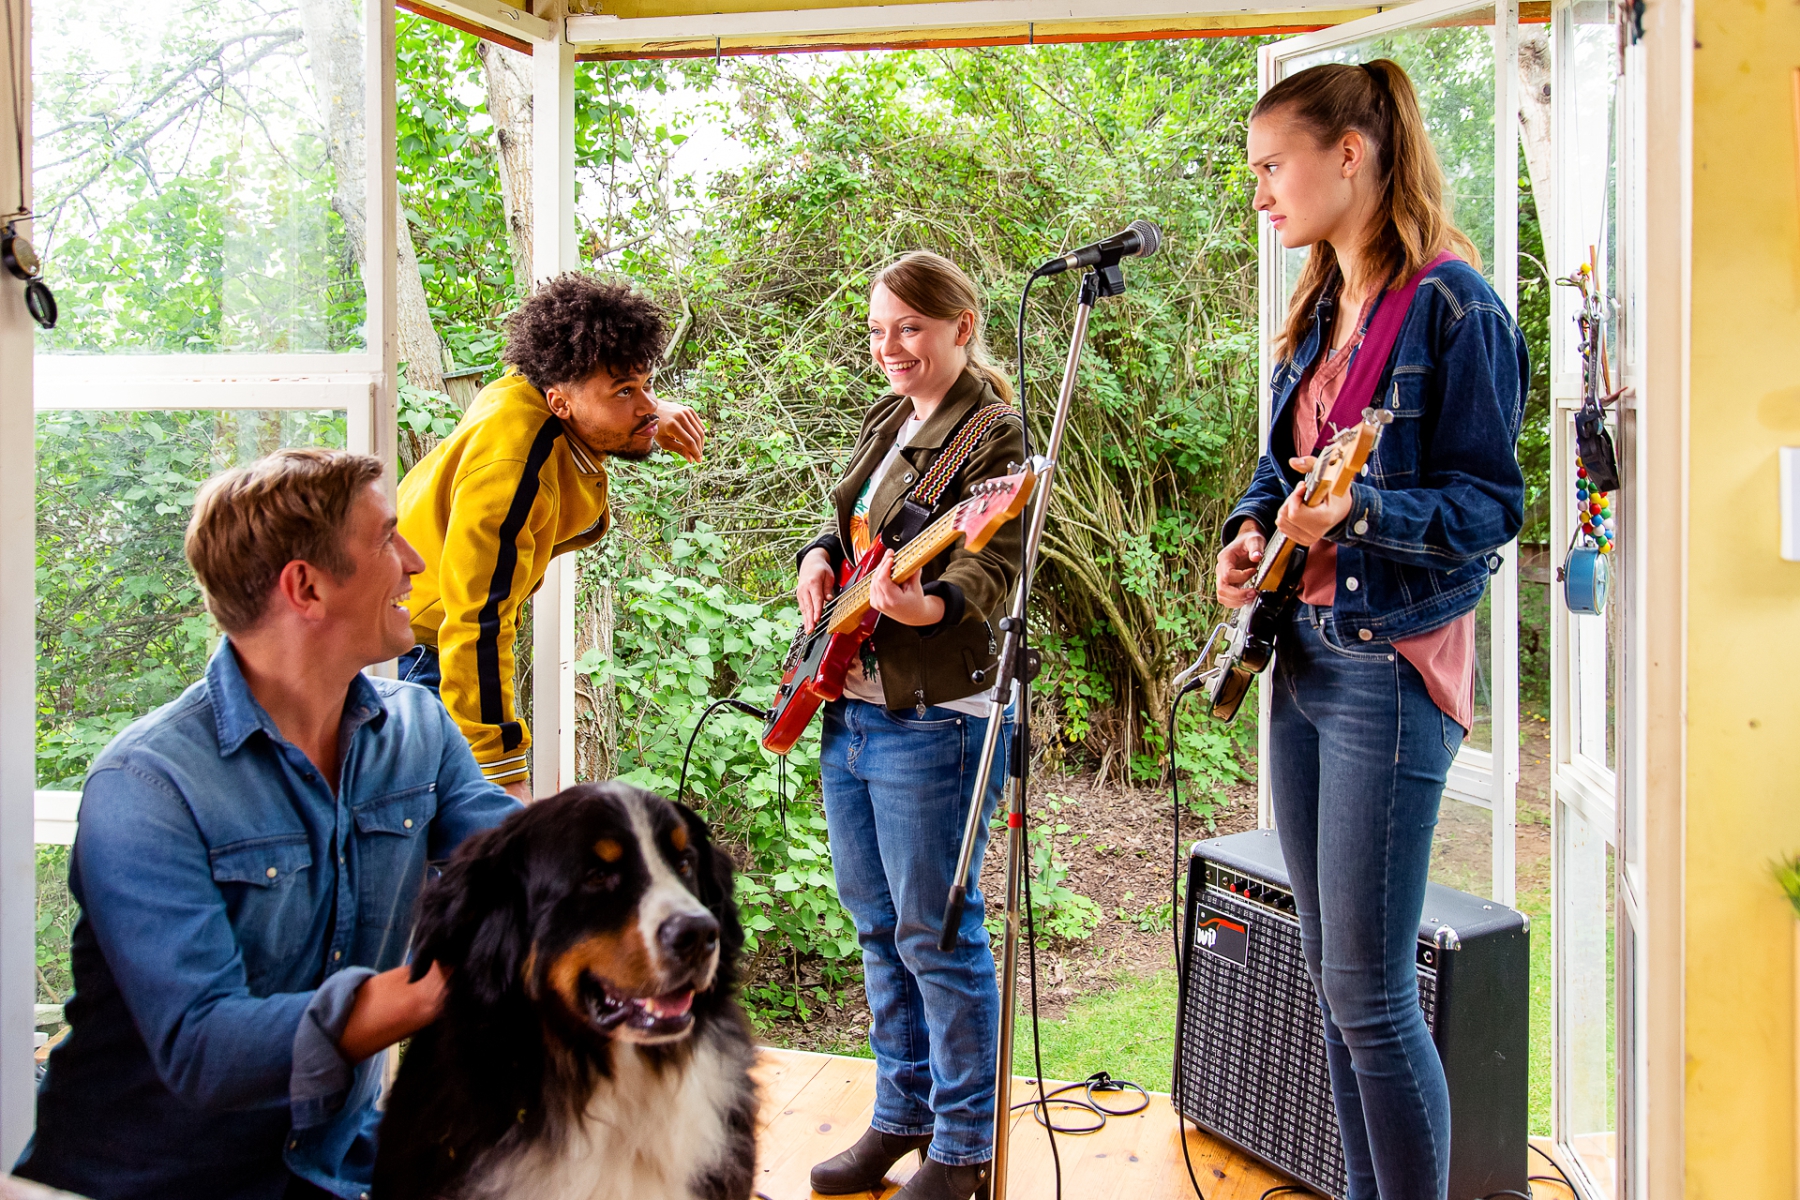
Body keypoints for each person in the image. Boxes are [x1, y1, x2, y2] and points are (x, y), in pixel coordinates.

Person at [15, 449, 521, 1200]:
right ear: (306, 586)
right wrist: (429, 991)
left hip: (334, 1166)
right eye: (387, 537)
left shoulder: (420, 731)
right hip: (148, 1184)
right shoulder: (147, 784)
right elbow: (204, 1047)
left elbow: (525, 872)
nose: (416, 561)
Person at [1216, 61, 1526, 1200]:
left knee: (1372, 994)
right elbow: (1281, 471)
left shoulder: (1456, 306)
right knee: (1334, 983)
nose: (1260, 193)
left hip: (1386, 671)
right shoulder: (1317, 308)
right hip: (1300, 655)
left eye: (1272, 166)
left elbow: (1491, 508)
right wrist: (1251, 534)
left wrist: (1361, 514)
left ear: (1349, 155)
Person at [795, 252, 1024, 1200]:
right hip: (852, 705)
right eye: (878, 330)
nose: (890, 347)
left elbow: (993, 566)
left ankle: (963, 1148)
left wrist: (929, 607)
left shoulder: (996, 438)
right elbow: (848, 521)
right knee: (879, 929)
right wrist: (817, 556)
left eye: (910, 329)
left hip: (936, 719)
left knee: (937, 934)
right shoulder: (890, 417)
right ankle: (903, 1116)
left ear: (961, 326)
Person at [396, 273, 706, 801]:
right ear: (559, 403)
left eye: (647, 385)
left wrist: (648, 409)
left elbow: (571, 387)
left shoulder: (531, 391)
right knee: (456, 835)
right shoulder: (513, 471)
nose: (647, 405)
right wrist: (501, 769)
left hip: (431, 638)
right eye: (625, 391)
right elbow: (477, 620)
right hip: (425, 655)